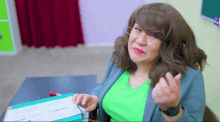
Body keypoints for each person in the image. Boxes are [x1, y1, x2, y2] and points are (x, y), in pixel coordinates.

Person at [72, 2, 210, 122]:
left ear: (170, 44)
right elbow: (103, 84)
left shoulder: (189, 78)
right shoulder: (120, 58)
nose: (140, 41)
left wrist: (171, 110)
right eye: (138, 30)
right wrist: (95, 97)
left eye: (154, 35)